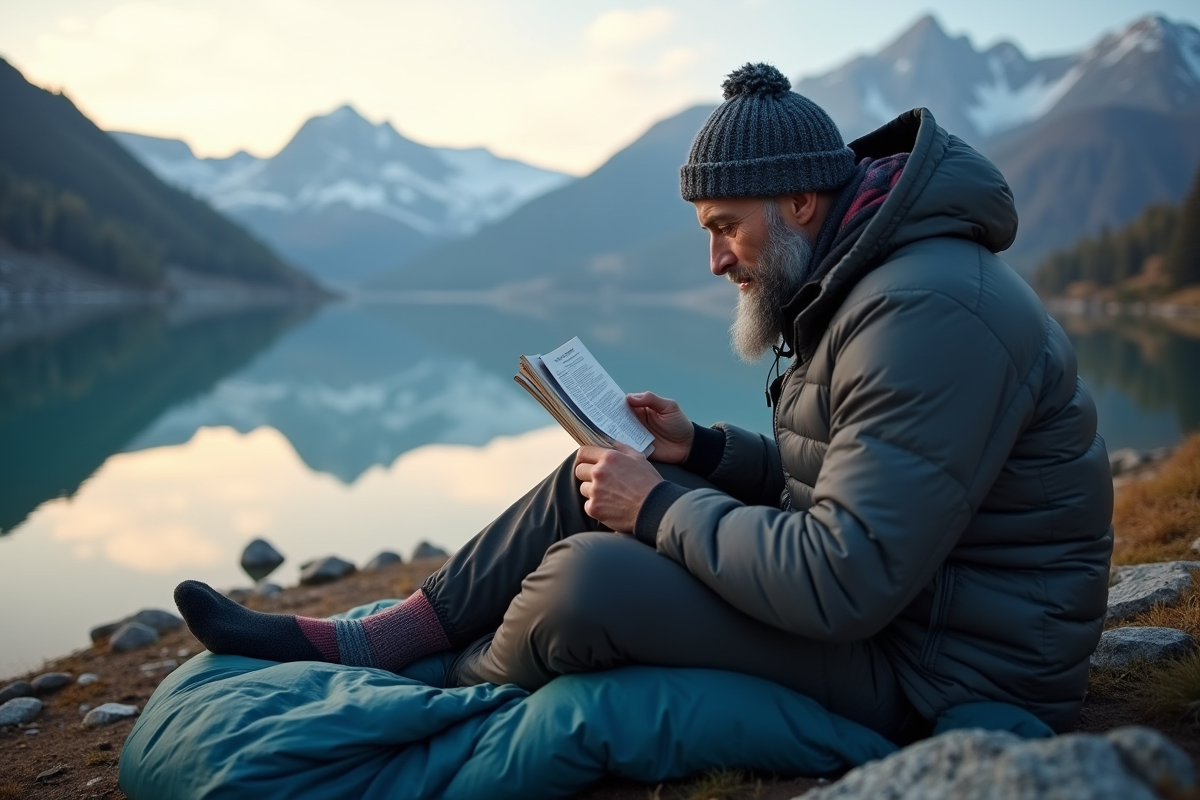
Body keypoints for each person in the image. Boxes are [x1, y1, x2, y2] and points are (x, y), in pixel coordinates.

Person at [175, 63, 1113, 740]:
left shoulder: (926, 314)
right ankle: (389, 638)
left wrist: (658, 508)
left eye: (724, 229)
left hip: (946, 669)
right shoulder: (878, 281)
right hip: (908, 611)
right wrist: (696, 452)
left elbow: (842, 577)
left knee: (593, 582)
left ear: (799, 203)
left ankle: (440, 692)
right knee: (591, 473)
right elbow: (842, 482)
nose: (715, 261)